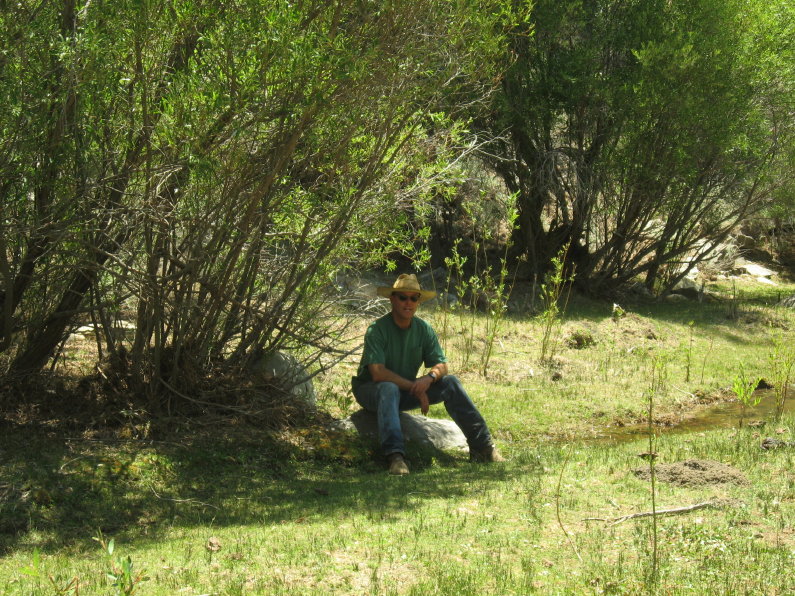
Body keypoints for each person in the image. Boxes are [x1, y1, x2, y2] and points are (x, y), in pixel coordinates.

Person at [351, 273, 504, 475]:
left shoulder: (424, 329)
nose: (408, 302)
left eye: (414, 298)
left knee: (450, 382)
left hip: (405, 390)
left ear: (418, 302)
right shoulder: (377, 329)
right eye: (403, 297)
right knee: (388, 388)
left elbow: (442, 365)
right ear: (392, 299)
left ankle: (483, 447)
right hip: (371, 391)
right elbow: (378, 373)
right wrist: (416, 388)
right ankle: (395, 457)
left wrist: (428, 379)